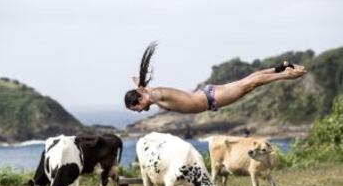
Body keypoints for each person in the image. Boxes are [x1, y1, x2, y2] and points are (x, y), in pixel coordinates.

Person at [124, 42, 307, 114]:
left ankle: (285, 74)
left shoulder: (154, 95)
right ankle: (280, 68)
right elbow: (142, 89)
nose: (139, 111)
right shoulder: (150, 94)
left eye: (137, 107)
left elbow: (146, 92)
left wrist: (139, 86)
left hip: (210, 98)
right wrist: (138, 85)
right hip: (207, 94)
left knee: (250, 84)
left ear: (140, 97)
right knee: (247, 82)